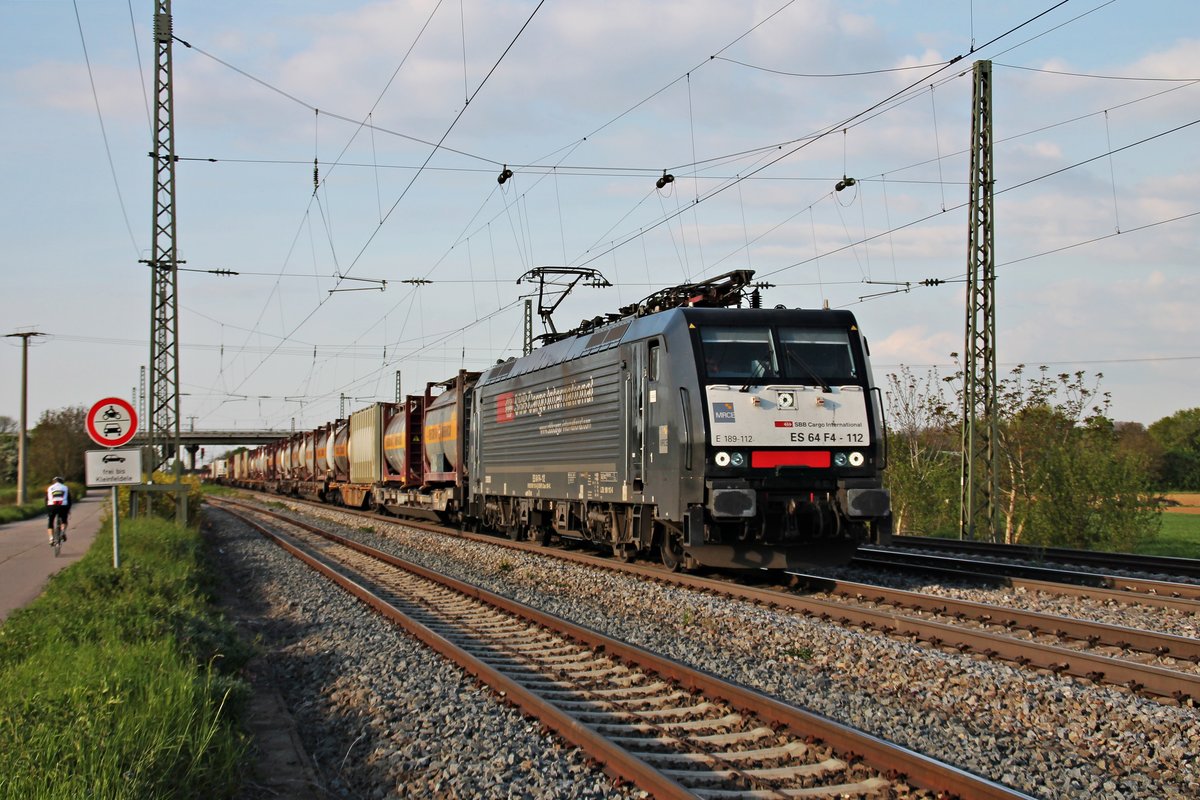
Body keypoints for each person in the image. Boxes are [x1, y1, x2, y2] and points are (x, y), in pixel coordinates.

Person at [46, 477, 70, 547]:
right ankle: (62, 532)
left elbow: (46, 500)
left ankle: (51, 539)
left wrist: (47, 510)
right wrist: (68, 510)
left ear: (53, 482)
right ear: (62, 482)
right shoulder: (65, 488)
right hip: (62, 506)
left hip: (52, 506)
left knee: (50, 522)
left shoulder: (50, 488)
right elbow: (69, 500)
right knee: (64, 520)